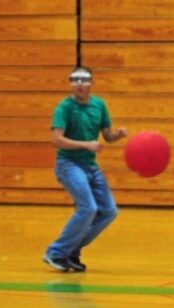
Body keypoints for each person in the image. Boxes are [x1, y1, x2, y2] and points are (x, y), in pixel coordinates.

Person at [43, 66, 127, 272]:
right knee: (88, 208)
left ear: (91, 83)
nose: (79, 84)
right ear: (70, 83)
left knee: (109, 211)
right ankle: (55, 252)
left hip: (90, 166)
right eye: (75, 80)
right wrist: (86, 145)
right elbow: (56, 140)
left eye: (84, 80)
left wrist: (119, 135)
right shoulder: (64, 107)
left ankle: (71, 250)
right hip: (69, 164)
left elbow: (107, 136)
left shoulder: (99, 105)